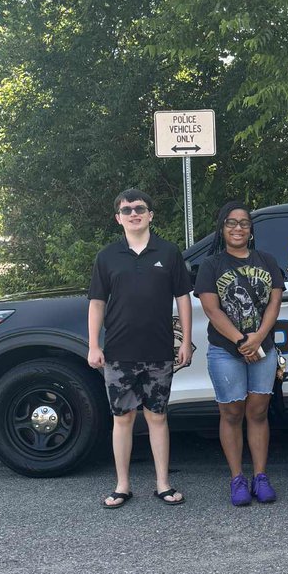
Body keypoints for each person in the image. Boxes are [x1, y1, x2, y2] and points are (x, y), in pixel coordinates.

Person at [87, 189, 193, 508]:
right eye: (127, 209)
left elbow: (184, 299)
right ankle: (122, 485)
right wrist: (94, 344)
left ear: (150, 215)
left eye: (140, 208)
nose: (134, 213)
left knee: (158, 417)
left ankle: (163, 483)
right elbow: (96, 303)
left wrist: (185, 341)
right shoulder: (107, 257)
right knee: (123, 419)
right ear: (119, 218)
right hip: (119, 353)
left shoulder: (169, 252)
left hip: (159, 351)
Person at [194, 201, 285, 507]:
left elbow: (274, 304)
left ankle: (260, 477)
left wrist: (257, 338)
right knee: (232, 414)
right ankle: (237, 479)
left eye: (244, 223)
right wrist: (240, 341)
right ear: (222, 228)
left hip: (263, 347)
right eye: (231, 223)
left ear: (250, 229)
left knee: (258, 412)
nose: (238, 228)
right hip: (225, 349)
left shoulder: (268, 261)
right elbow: (211, 307)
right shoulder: (211, 265)